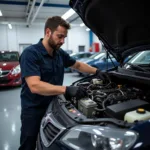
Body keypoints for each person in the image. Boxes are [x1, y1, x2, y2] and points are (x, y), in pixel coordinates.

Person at [18, 16, 107, 150]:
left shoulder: (59, 53)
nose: (62, 41)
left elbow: (77, 65)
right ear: (48, 32)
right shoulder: (30, 54)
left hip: (54, 105)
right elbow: (34, 86)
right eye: (60, 36)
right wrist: (66, 89)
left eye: (64, 37)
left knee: (52, 142)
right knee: (28, 144)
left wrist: (97, 71)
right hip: (33, 109)